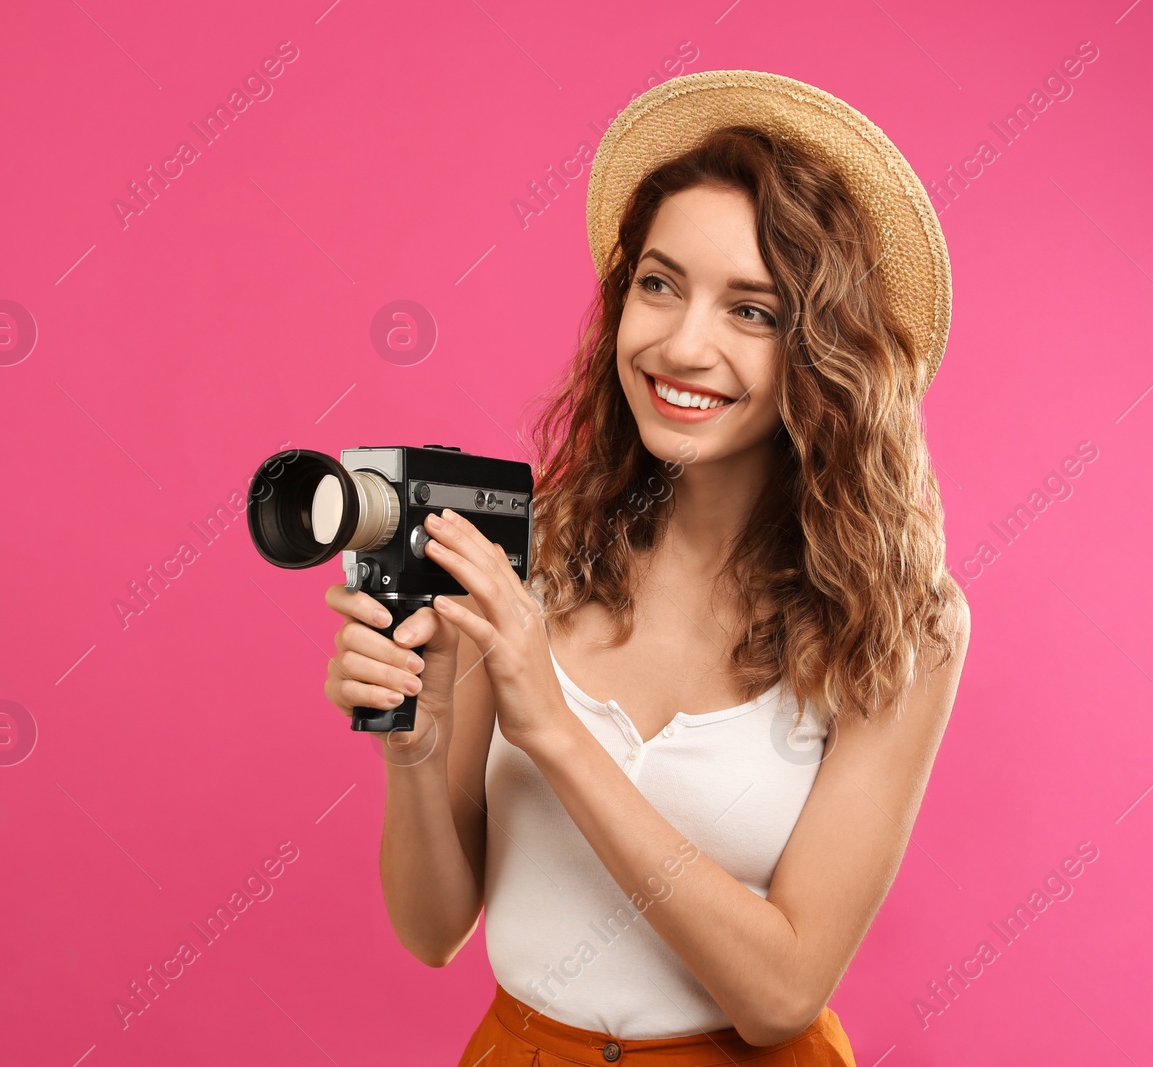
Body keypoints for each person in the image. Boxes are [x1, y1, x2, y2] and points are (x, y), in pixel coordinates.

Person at [323, 70, 970, 1065]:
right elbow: (431, 928)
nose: (681, 343)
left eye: (751, 310)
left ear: (825, 351)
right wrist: (411, 745)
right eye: (658, 284)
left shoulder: (903, 619)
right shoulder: (525, 548)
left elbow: (780, 992)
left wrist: (553, 727)